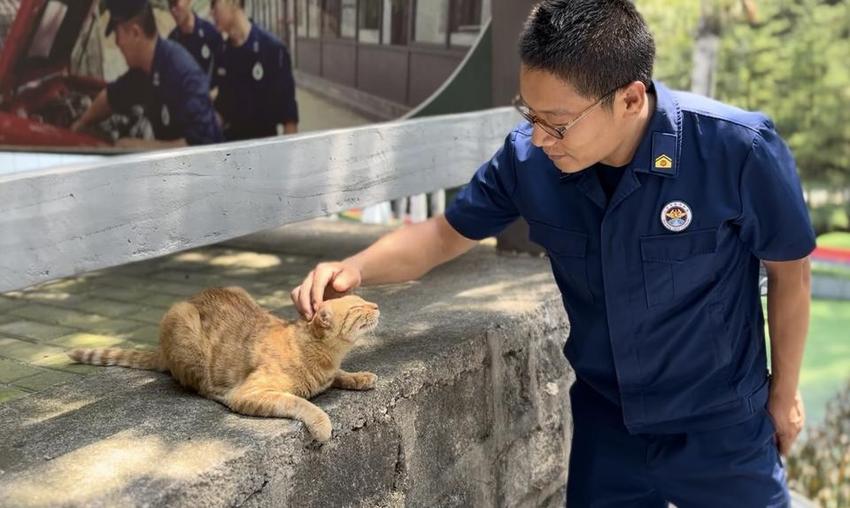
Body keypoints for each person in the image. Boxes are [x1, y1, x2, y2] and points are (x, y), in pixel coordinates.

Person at [290, 1, 814, 506]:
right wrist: (354, 268)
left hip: (719, 424)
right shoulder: (528, 159)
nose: (540, 137)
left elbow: (791, 273)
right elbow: (443, 235)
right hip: (609, 423)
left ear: (630, 99)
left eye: (557, 122)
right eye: (530, 113)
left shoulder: (737, 148)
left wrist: (784, 394)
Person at [71, 0, 222, 148]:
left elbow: (202, 147)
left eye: (118, 34)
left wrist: (138, 147)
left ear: (136, 33)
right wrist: (81, 123)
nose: (117, 43)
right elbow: (111, 97)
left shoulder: (183, 74)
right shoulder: (145, 69)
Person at [210, 0, 299, 140]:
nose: (212, 12)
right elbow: (223, 107)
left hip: (265, 149)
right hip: (232, 150)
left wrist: (287, 157)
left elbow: (289, 120)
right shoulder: (222, 53)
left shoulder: (272, 49)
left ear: (234, 3)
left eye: (214, 4)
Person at [167, 0, 223, 78]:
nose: (173, 10)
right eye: (170, 4)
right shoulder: (172, 42)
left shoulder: (210, 33)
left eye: (175, 3)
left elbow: (223, 71)